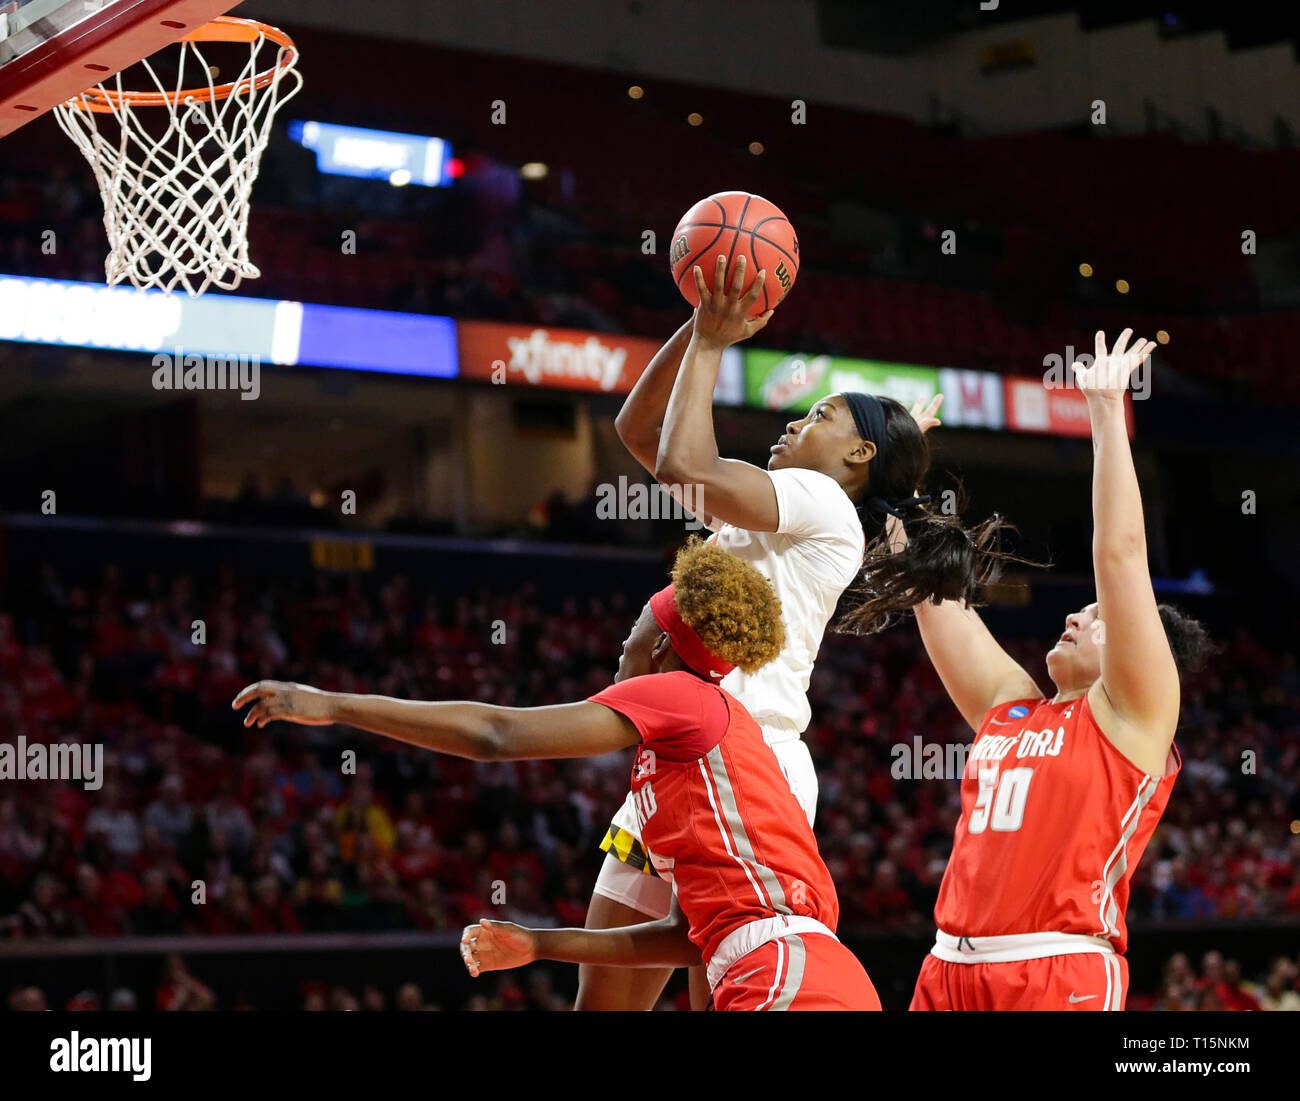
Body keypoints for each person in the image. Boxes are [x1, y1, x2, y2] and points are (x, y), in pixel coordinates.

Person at [585, 252, 1009, 1009]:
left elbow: (684, 457)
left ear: (858, 454)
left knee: (718, 995)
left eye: (820, 415)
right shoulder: (779, 510)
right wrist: (696, 326)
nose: (794, 418)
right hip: (688, 749)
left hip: (747, 764)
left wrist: (714, 341)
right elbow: (639, 429)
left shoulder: (819, 504)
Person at [232, 539, 879, 1011]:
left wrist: (332, 704)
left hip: (785, 972)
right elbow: (687, 935)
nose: (621, 643)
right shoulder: (692, 746)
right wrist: (539, 944)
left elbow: (497, 734)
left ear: (658, 646)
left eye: (635, 626)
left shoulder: (681, 695)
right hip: (791, 967)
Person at [904, 330, 1213, 1011]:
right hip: (946, 968)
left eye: (1094, 616)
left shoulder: (1136, 711)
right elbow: (930, 592)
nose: (1073, 619)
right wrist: (899, 480)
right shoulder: (1013, 704)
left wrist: (1104, 408)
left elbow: (1122, 556)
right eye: (1075, 611)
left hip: (1055, 970)